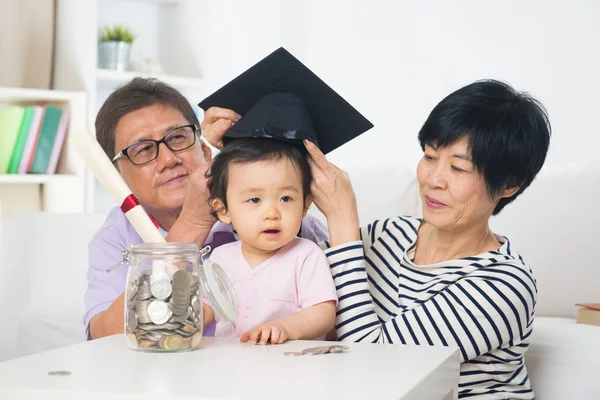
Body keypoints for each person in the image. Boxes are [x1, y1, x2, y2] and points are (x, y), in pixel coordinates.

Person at [204, 80, 550, 399]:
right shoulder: (388, 235)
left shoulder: (503, 284)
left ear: (508, 185)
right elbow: (275, 269)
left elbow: (373, 366)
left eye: (458, 169)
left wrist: (342, 219)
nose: (433, 179)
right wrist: (240, 163)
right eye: (430, 157)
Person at [84, 77, 329, 340]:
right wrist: (192, 224)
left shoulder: (291, 225)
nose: (168, 159)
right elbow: (104, 338)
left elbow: (339, 325)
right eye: (143, 149)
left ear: (205, 149)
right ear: (116, 175)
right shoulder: (115, 237)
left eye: (177, 137)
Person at [204, 137, 337, 344]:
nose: (272, 213)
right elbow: (206, 308)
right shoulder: (220, 257)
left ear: (304, 206)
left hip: (290, 362)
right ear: (223, 210)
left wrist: (286, 327)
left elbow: (324, 314)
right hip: (230, 363)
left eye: (285, 198)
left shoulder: (307, 255)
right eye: (255, 200)